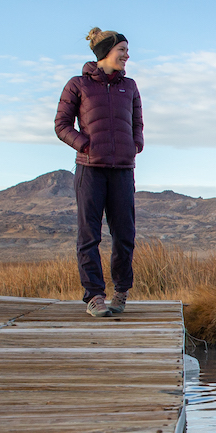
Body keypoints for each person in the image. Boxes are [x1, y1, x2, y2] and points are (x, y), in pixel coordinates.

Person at [55, 28, 144, 317]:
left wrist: (136, 143)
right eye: (123, 50)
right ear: (106, 52)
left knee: (125, 234)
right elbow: (62, 125)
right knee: (89, 235)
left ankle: (121, 291)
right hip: (90, 169)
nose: (127, 56)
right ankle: (94, 295)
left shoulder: (129, 86)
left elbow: (137, 122)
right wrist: (84, 145)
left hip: (122, 171)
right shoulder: (77, 85)